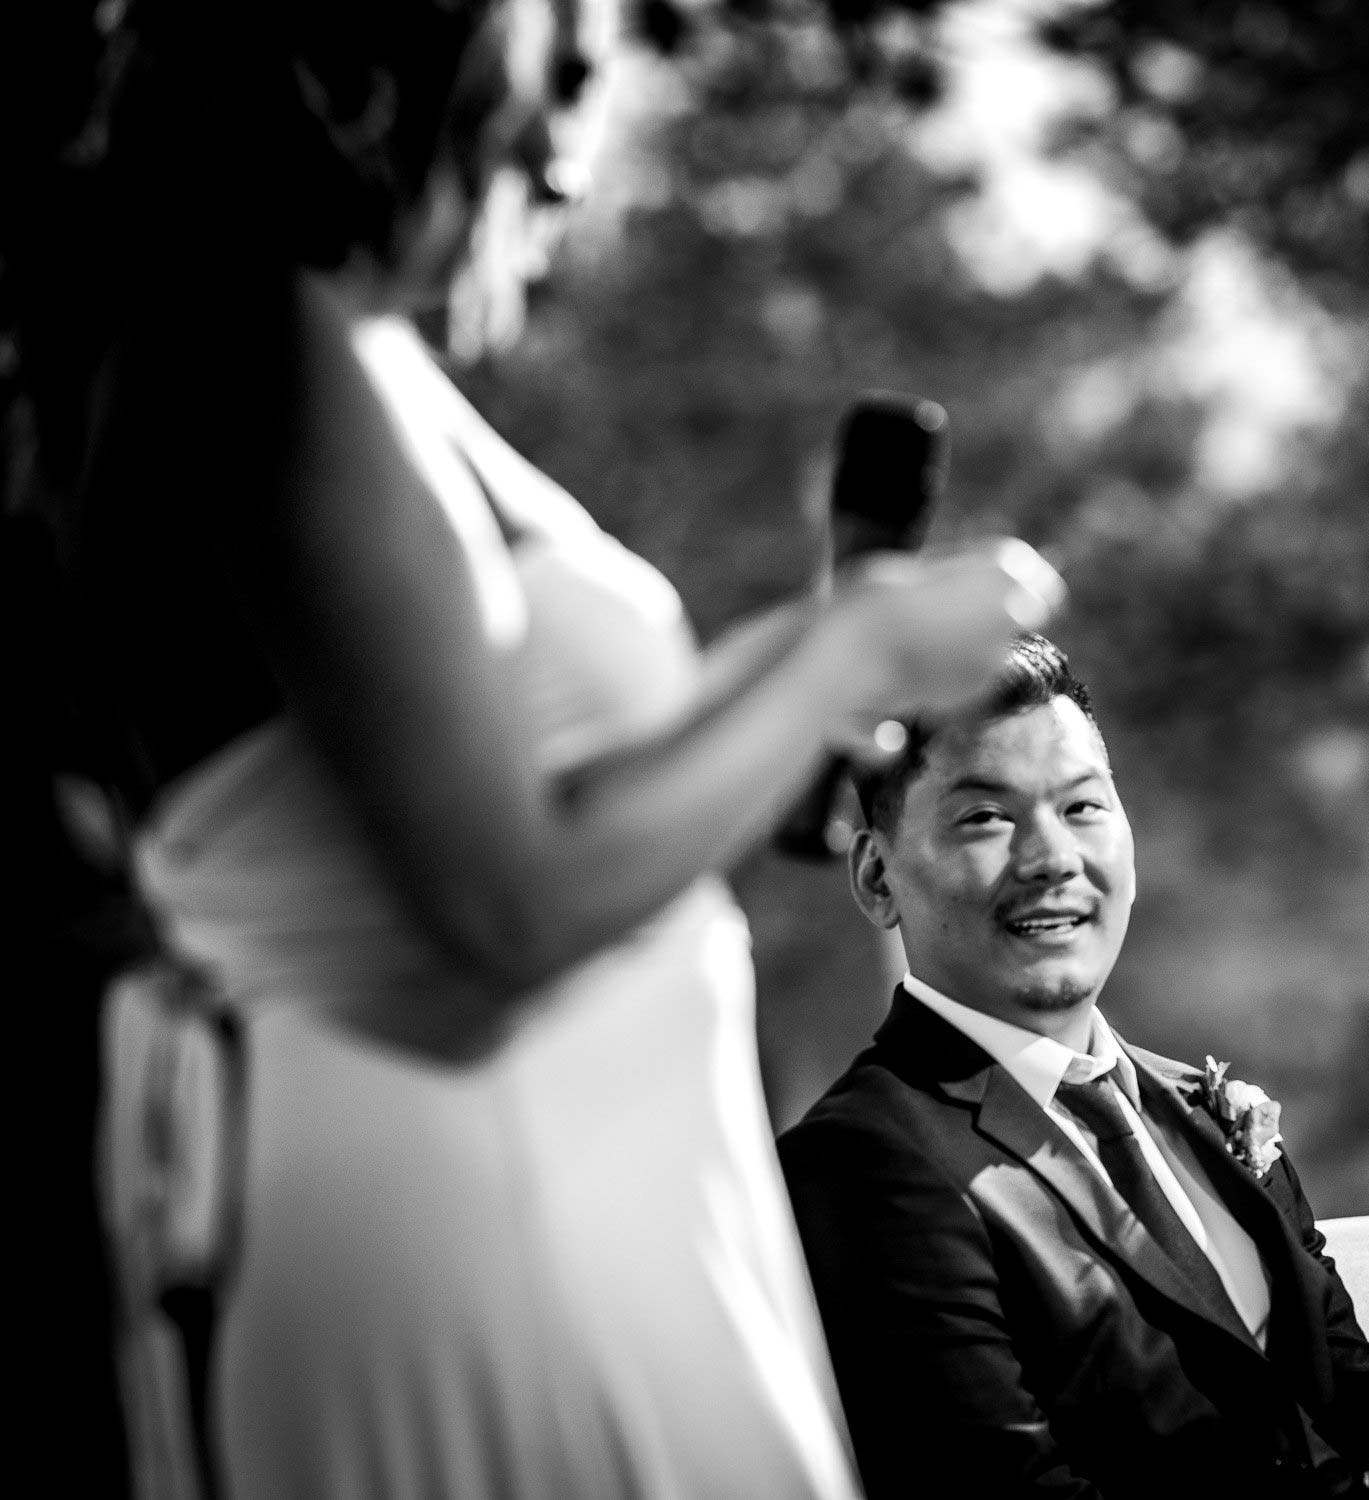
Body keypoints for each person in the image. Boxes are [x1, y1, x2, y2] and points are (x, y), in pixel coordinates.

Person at [26, 3, 1060, 1497]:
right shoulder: (257, 336)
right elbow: (507, 900)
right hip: (468, 1203)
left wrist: (808, 670)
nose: (567, 151)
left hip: (581, 1189)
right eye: (556, 69)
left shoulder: (347, 356)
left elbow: (546, 795)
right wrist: (847, 654)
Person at [777, 636, 1369, 1500]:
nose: (1051, 858)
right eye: (985, 817)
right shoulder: (861, 1164)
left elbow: (1353, 1388)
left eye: (1083, 807)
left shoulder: (1202, 1106)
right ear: (875, 876)